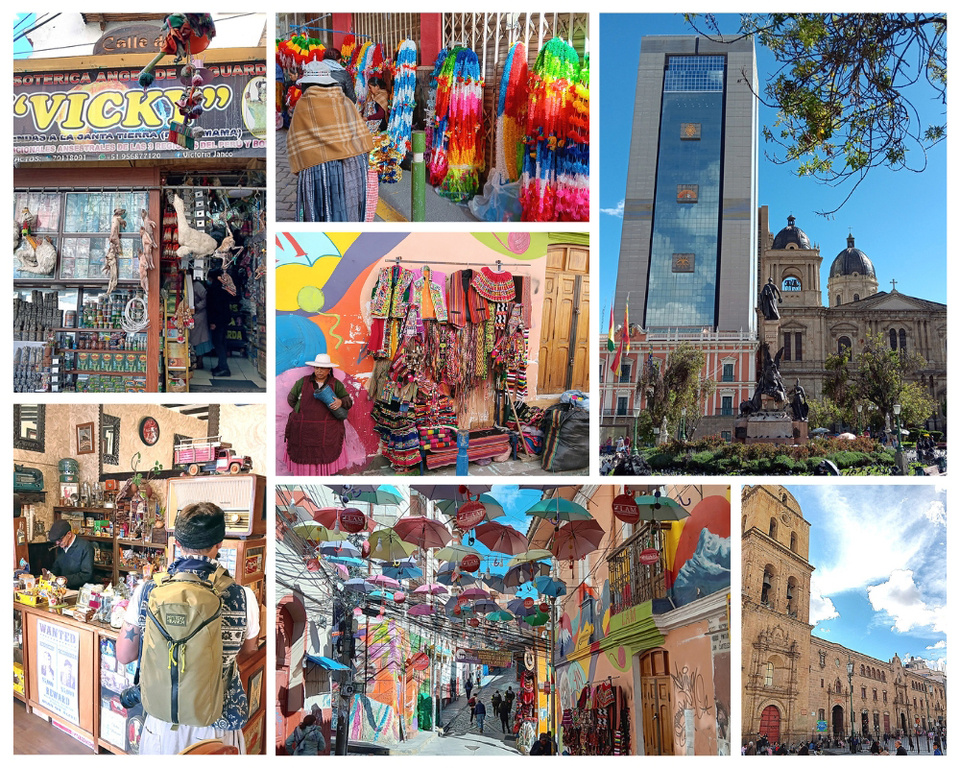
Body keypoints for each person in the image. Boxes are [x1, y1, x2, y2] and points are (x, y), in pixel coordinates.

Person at [116, 502, 261, 754]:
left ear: (178, 544)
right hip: (218, 723)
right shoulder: (243, 596)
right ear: (220, 543)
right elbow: (249, 652)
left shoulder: (147, 591)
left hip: (163, 718)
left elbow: (124, 655)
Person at [288, 60, 373, 222]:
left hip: (319, 168)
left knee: (322, 213)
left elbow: (297, 141)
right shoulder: (345, 101)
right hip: (353, 164)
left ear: (308, 84)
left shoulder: (304, 104)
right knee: (350, 211)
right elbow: (361, 136)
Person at [284, 353, 353, 473]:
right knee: (304, 453)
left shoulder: (336, 384)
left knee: (324, 453)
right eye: (317, 368)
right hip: (304, 430)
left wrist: (340, 402)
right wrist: (301, 412)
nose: (319, 371)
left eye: (323, 368)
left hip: (326, 430)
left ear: (328, 370)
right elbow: (291, 399)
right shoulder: (303, 382)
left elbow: (348, 402)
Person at [46, 519, 94, 589]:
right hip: (63, 589)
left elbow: (86, 575)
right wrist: (49, 576)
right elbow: (56, 568)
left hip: (79, 590)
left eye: (60, 540)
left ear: (69, 534)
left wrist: (66, 579)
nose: (57, 543)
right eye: (55, 541)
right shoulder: (61, 547)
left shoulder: (85, 547)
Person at [205, 266, 233, 377]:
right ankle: (220, 365)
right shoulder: (223, 287)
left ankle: (224, 368)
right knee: (221, 343)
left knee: (219, 344)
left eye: (209, 278)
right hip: (223, 320)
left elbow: (215, 307)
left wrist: (213, 322)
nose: (208, 280)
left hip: (218, 321)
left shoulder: (215, 290)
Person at [190, 278, 213, 369]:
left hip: (199, 315)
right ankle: (196, 360)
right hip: (194, 315)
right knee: (195, 339)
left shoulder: (197, 285)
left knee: (200, 340)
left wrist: (197, 307)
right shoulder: (189, 283)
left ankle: (199, 361)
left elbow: (206, 298)